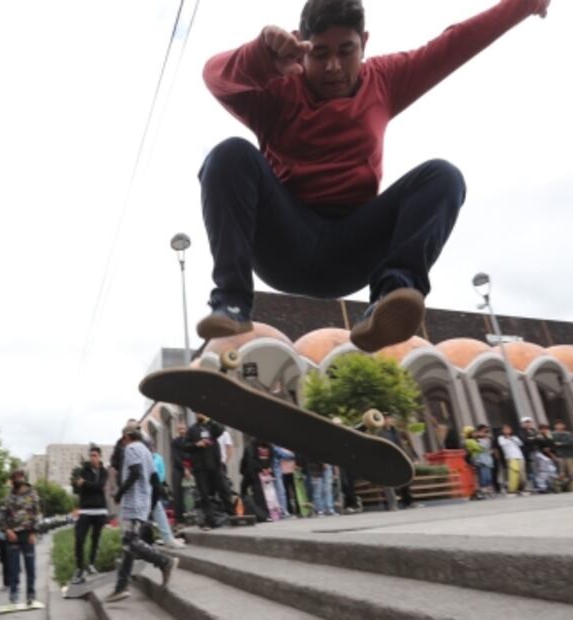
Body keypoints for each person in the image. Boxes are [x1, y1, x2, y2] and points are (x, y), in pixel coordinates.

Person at [195, 0, 551, 353]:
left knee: (443, 176)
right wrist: (260, 58)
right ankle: (231, 301)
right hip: (285, 243)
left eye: (346, 51)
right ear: (301, 49)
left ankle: (390, 295)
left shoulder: (384, 79)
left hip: (352, 248)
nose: (333, 67)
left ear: (364, 42)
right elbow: (214, 76)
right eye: (319, 54)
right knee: (229, 155)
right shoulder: (279, 87)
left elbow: (455, 43)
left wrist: (524, 4)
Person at [104, 428, 178, 603]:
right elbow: (154, 479)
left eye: (122, 440)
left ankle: (164, 561)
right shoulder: (146, 451)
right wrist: (151, 502)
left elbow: (135, 473)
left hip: (133, 502)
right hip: (142, 502)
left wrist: (119, 493)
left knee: (129, 541)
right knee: (128, 546)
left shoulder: (131, 449)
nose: (122, 444)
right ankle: (121, 587)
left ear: (127, 437)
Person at [0, 470, 41, 605]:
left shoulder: (32, 494)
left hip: (28, 535)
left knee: (30, 567)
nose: (16, 480)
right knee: (13, 568)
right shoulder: (8, 497)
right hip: (13, 537)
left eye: (19, 477)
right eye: (14, 478)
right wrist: (7, 531)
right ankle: (14, 594)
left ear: (23, 478)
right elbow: (1, 517)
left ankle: (31, 593)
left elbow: (37, 514)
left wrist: (34, 532)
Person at [185, 413, 233, 529]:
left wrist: (209, 420)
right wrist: (196, 444)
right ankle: (210, 521)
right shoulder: (192, 429)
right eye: (197, 412)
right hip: (200, 468)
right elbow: (185, 445)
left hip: (215, 465)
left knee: (224, 489)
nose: (199, 414)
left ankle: (232, 515)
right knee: (204, 495)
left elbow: (221, 430)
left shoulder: (211, 426)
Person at [71, 446, 109, 585]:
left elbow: (100, 486)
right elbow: (78, 487)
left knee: (95, 538)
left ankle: (91, 564)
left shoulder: (104, 471)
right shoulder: (83, 470)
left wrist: (85, 483)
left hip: (100, 510)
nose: (92, 457)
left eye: (95, 455)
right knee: (79, 538)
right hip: (86, 510)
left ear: (100, 456)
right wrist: (81, 484)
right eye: (91, 455)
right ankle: (80, 568)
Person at [170, 421, 191, 525]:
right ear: (177, 430)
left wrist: (189, 468)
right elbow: (176, 457)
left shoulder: (191, 440)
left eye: (184, 428)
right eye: (180, 429)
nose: (182, 431)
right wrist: (184, 469)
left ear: (187, 429)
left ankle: (195, 514)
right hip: (178, 468)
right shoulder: (174, 442)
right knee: (177, 492)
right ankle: (179, 518)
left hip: (192, 467)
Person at [551, 420, 573, 491]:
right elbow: (553, 444)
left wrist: (560, 444)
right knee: (561, 471)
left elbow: (570, 443)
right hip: (560, 455)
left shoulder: (568, 434)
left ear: (564, 426)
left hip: (569, 454)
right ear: (555, 426)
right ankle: (562, 487)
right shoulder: (553, 434)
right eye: (558, 425)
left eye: (561, 425)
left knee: (572, 471)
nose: (559, 426)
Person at [497, 424, 526, 495]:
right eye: (505, 429)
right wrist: (508, 438)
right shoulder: (501, 438)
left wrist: (512, 438)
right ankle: (512, 489)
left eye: (508, 429)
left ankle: (521, 488)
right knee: (514, 473)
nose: (507, 430)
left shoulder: (514, 437)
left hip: (519, 456)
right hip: (510, 457)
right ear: (503, 430)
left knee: (522, 474)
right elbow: (502, 444)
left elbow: (520, 444)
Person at [518, 418, 539, 491]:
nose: (528, 424)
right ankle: (533, 484)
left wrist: (532, 439)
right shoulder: (521, 432)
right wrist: (532, 439)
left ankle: (539, 484)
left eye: (529, 422)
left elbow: (538, 439)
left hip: (536, 450)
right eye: (526, 423)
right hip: (528, 452)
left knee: (537, 467)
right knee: (531, 469)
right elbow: (524, 440)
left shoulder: (533, 430)